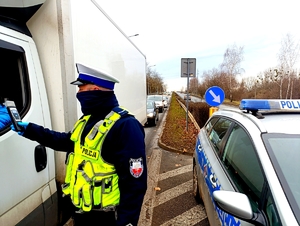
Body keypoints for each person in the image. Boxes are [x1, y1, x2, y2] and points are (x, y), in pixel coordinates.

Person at [11, 63, 147, 226]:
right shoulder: (86, 121)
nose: (78, 93)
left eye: (81, 89)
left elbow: (134, 184)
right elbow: (65, 141)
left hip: (108, 219)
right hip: (82, 214)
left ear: (95, 91)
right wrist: (29, 129)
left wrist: (127, 223)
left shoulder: (125, 126)